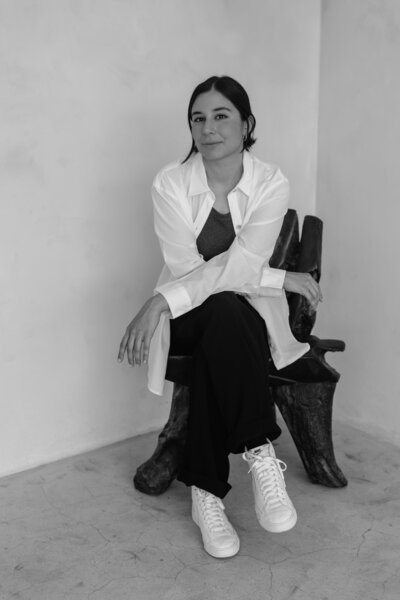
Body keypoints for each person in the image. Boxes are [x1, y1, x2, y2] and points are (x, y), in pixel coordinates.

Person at [118, 75, 322, 559]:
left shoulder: (270, 181)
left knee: (225, 323)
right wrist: (278, 280)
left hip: (223, 313)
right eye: (198, 118)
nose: (208, 128)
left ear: (247, 123)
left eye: (221, 115)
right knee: (222, 311)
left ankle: (206, 494)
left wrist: (160, 300)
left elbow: (244, 266)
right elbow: (191, 271)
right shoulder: (170, 183)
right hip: (190, 314)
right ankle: (259, 449)